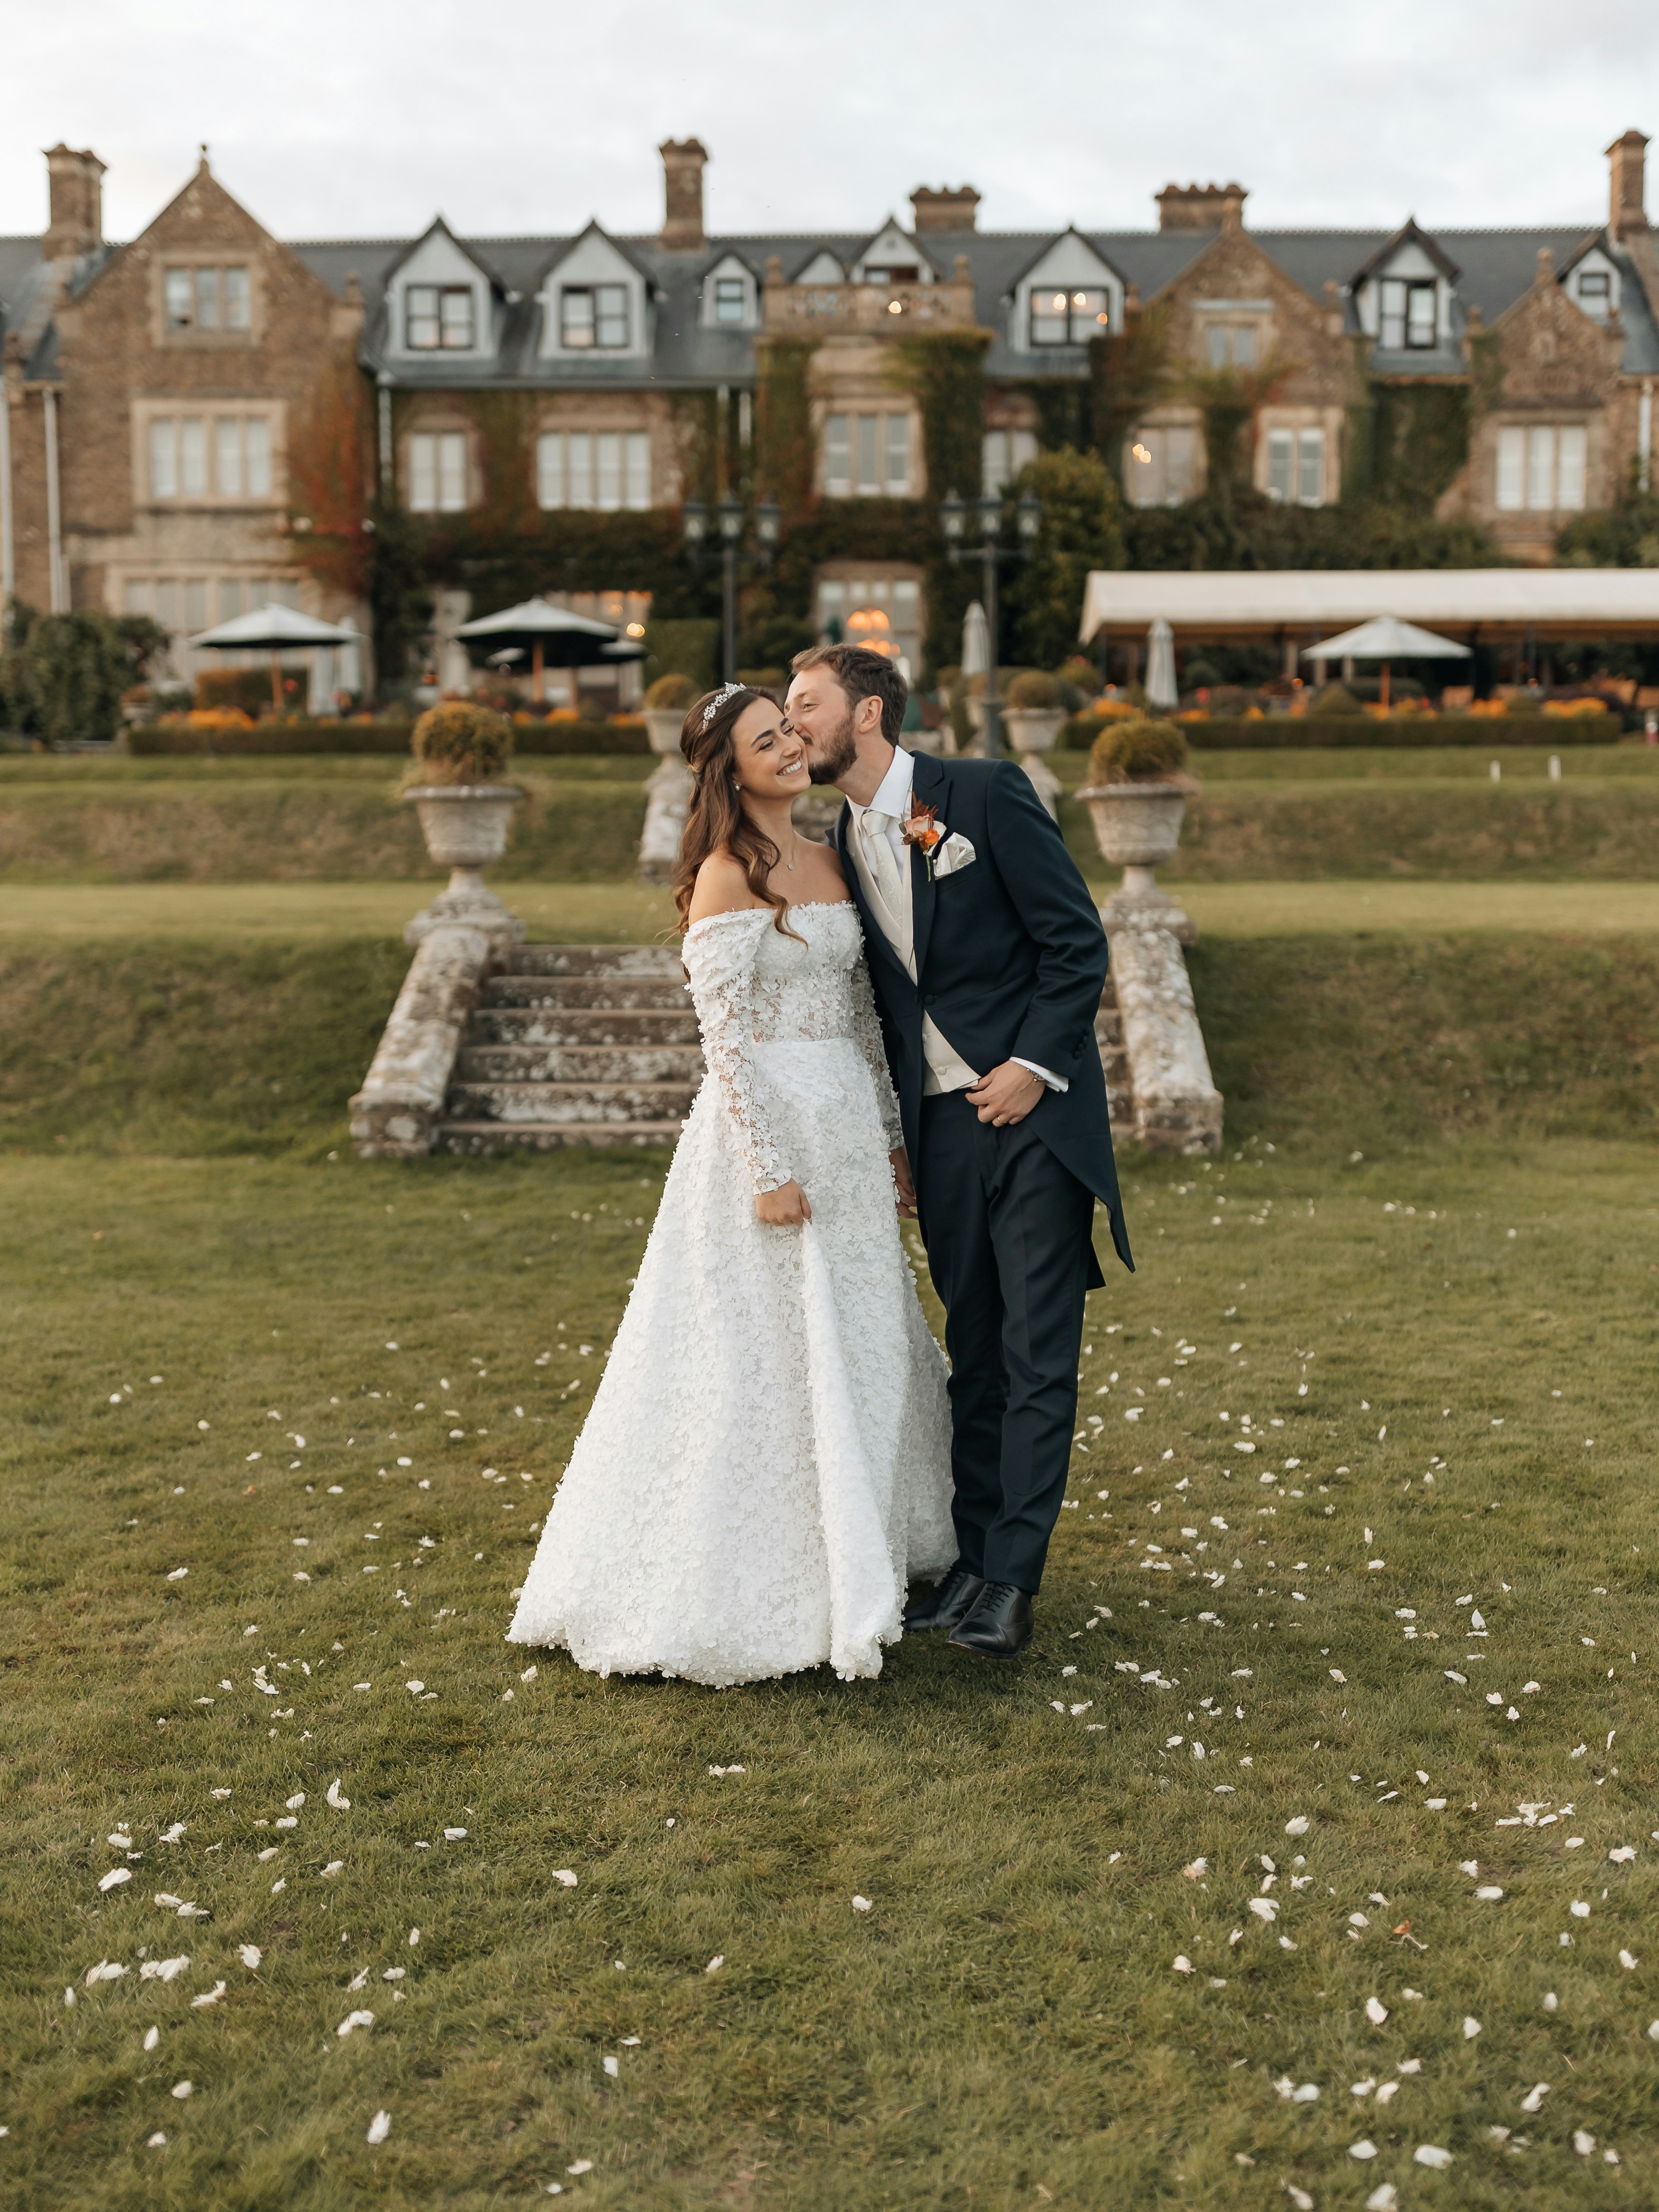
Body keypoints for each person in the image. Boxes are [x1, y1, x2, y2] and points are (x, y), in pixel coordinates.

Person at [506, 683, 954, 1687]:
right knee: (765, 1353)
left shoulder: (830, 860)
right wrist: (766, 1170)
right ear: (732, 771)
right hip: (773, 1138)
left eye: (790, 729)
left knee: (870, 1332)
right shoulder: (725, 876)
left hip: (845, 1121)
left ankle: (874, 1535)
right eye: (767, 741)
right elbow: (727, 1039)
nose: (792, 747)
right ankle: (767, 1575)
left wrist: (891, 1139)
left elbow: (861, 1019)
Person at [785, 646, 1133, 1659]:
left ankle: (1012, 1582)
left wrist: (1032, 1062)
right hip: (936, 1134)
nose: (793, 722)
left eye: (807, 705)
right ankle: (972, 1563)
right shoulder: (838, 845)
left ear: (869, 714)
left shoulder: (983, 792)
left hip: (1034, 1117)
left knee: (1034, 1351)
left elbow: (1076, 941)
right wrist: (895, 1134)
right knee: (972, 1352)